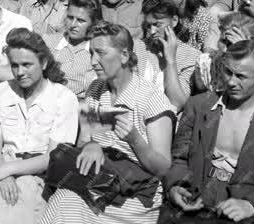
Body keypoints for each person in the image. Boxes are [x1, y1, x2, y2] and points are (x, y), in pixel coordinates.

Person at [41, 21, 174, 224]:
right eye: (91, 53)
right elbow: (84, 140)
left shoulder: (151, 99)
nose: (93, 61)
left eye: (101, 53)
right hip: (97, 183)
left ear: (124, 55)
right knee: (62, 199)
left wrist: (135, 140)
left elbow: (163, 168)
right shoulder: (94, 90)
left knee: (64, 203)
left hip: (134, 196)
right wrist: (92, 145)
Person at [162, 39, 254, 224]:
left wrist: (252, 206)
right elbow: (179, 157)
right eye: (228, 72)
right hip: (190, 210)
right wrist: (174, 188)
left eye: (241, 76)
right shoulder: (198, 105)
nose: (231, 82)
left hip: (242, 218)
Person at [0, 28, 79, 224]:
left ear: (44, 63)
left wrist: (7, 171)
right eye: (14, 66)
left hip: (36, 177)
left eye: (27, 65)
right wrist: (2, 174)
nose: (20, 72)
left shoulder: (64, 98)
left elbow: (52, 159)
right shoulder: (5, 90)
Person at [194, 12, 254, 104]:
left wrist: (245, 53)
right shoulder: (205, 62)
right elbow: (203, 101)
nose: (225, 50)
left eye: (231, 44)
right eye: (223, 41)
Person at [142, 0, 200, 112]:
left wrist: (170, 60)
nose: (152, 32)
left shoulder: (192, 56)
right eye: (148, 26)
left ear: (174, 21)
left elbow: (177, 103)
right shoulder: (138, 47)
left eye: (157, 24)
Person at [43, 0, 101, 99]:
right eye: (70, 18)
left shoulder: (98, 52)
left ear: (93, 23)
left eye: (81, 20)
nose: (73, 24)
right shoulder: (48, 42)